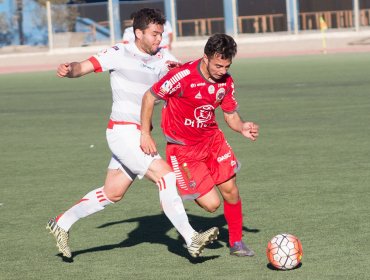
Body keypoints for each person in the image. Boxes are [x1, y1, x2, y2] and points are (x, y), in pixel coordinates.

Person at [46, 8, 219, 260]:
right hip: (123, 132)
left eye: (161, 34)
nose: (159, 39)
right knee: (166, 176)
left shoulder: (164, 58)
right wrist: (68, 69)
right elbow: (83, 66)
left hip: (140, 134)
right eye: (154, 34)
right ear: (138, 33)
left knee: (112, 192)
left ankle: (62, 223)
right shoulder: (119, 52)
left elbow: (184, 78)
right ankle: (191, 238)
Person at [140, 33, 259, 257]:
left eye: (226, 65)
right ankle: (175, 186)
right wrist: (145, 133)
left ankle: (236, 243)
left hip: (213, 141)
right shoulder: (181, 76)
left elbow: (231, 115)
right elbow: (149, 97)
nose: (222, 71)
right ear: (205, 57)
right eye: (218, 65)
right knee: (212, 205)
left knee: (231, 191)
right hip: (183, 149)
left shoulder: (226, 81)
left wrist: (242, 126)